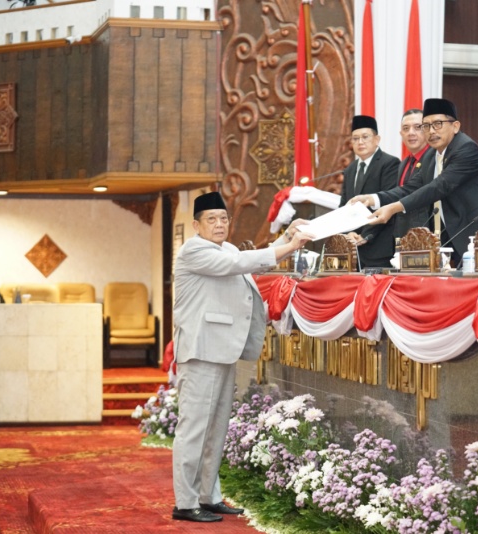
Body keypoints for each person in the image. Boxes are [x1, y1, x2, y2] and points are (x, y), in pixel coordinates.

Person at [171, 191, 311, 523]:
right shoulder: (194, 250)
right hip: (201, 350)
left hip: (223, 349)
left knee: (216, 428)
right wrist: (289, 246)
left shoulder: (229, 248)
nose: (219, 225)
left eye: (223, 219)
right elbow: (238, 265)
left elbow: (245, 259)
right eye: (211, 220)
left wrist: (289, 235)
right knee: (194, 429)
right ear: (196, 225)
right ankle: (185, 503)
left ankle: (209, 496)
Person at [361, 98, 478, 261]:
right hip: (455, 232)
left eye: (438, 124)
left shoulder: (466, 148)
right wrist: (373, 198)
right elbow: (411, 188)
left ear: (455, 126)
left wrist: (394, 208)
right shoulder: (431, 156)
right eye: (426, 126)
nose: (431, 131)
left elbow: (439, 186)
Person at [341, 115, 400, 268]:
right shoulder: (350, 169)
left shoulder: (390, 163)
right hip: (353, 248)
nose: (360, 142)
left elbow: (389, 202)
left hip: (379, 246)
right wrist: (348, 234)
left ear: (377, 139)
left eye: (365, 137)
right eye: (355, 138)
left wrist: (365, 235)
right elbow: (344, 206)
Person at [392, 108, 434, 237]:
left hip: (427, 235)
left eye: (417, 127)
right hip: (403, 235)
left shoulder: (434, 159)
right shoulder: (403, 164)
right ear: (401, 134)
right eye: (406, 128)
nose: (411, 133)